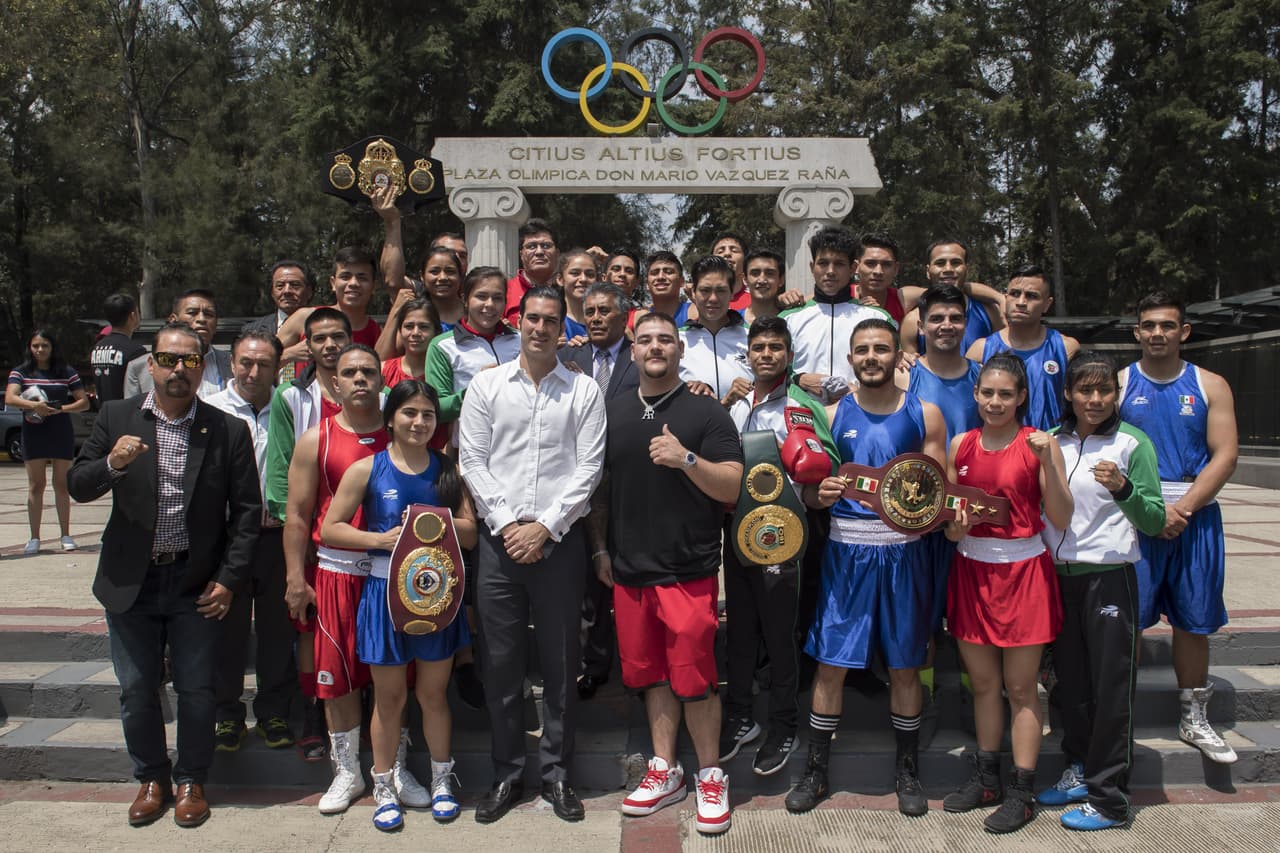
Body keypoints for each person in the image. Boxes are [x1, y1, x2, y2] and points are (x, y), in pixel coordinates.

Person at [67, 322, 260, 828]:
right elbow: (78, 486)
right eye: (169, 360)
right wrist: (111, 462)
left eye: (190, 362)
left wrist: (229, 578)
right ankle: (151, 777)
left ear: (201, 368)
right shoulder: (115, 417)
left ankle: (191, 779)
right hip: (131, 581)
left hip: (195, 583)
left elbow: (245, 515)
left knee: (197, 689)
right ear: (149, 365)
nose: (179, 370)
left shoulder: (226, 430)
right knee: (136, 688)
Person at [786, 318, 946, 818]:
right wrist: (819, 493)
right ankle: (815, 770)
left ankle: (907, 770)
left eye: (881, 348)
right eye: (862, 350)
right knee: (831, 664)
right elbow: (811, 491)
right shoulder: (831, 414)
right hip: (846, 553)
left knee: (904, 666)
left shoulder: (926, 413)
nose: (872, 357)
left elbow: (941, 491)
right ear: (850, 358)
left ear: (895, 353)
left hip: (905, 553)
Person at [459, 285, 606, 824]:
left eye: (550, 321)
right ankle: (506, 772)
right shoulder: (486, 385)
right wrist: (508, 524)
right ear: (518, 323)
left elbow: (589, 469)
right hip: (500, 547)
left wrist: (544, 527)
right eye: (532, 319)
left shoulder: (583, 391)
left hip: (559, 545)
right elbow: (472, 460)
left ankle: (557, 776)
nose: (540, 328)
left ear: (562, 329)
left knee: (562, 664)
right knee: (500, 666)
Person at [600, 311, 743, 835]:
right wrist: (600, 552)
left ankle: (710, 774)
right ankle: (666, 770)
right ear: (632, 350)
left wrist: (685, 458)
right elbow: (600, 490)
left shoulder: (706, 413)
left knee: (696, 680)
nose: (654, 347)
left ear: (681, 350)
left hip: (688, 570)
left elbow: (731, 486)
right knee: (650, 676)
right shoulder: (612, 410)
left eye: (665, 340)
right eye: (645, 340)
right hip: (629, 571)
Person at [285, 344, 434, 816]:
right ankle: (347, 770)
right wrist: (294, 576)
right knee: (341, 679)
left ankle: (396, 766)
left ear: (381, 379)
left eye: (368, 370)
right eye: (349, 372)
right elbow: (297, 514)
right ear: (335, 382)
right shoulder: (317, 438)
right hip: (338, 572)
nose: (359, 379)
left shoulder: (408, 435)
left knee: (398, 679)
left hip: (398, 578)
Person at [322, 380, 478, 831]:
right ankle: (384, 785)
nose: (419, 422)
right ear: (391, 418)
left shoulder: (447, 471)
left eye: (428, 414)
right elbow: (332, 528)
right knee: (389, 699)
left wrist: (437, 525)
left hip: (437, 598)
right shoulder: (366, 469)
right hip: (382, 595)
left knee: (433, 695)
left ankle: (443, 779)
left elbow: (470, 533)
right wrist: (380, 539)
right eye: (410, 413)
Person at [940, 353, 1072, 833]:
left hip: (1023, 574)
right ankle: (987, 778)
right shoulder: (962, 443)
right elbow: (952, 532)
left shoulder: (1038, 444)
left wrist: (1048, 463)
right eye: (987, 393)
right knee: (984, 686)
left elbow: (1060, 517)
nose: (995, 402)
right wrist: (959, 525)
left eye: (1005, 394)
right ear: (975, 395)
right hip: (972, 571)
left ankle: (1022, 791)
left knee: (1021, 688)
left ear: (1021, 398)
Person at [1037, 351, 1165, 831]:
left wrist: (1125, 489)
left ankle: (1110, 799)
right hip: (1058, 579)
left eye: (1105, 389)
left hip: (1110, 579)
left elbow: (1154, 519)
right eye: (1085, 389)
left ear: (1117, 394)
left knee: (1111, 691)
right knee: (1070, 685)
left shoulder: (1133, 443)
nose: (1095, 399)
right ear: (1068, 392)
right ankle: (1079, 768)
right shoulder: (1051, 440)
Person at [1119, 291, 1239, 763]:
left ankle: (1194, 717)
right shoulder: (1121, 382)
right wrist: (1148, 511)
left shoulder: (1211, 384)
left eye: (1167, 325)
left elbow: (1225, 455)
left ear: (1183, 332)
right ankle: (1117, 717)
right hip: (1135, 516)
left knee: (1193, 621)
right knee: (1126, 622)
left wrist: (1182, 509)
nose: (1157, 333)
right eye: (1149, 325)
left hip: (1195, 514)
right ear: (1137, 332)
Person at [721, 316, 838, 775]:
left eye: (775, 347)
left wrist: (814, 489)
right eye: (759, 347)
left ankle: (785, 723)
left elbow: (824, 468)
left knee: (781, 632)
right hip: (736, 530)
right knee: (741, 629)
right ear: (747, 354)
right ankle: (741, 717)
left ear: (789, 355)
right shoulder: (734, 403)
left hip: (784, 533)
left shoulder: (802, 403)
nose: (766, 354)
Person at [264, 308, 353, 759]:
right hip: (311, 535)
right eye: (320, 338)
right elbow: (280, 475)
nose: (330, 345)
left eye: (338, 336)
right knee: (309, 627)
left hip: (359, 536)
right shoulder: (290, 398)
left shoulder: (373, 391)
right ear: (308, 344)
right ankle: (313, 715)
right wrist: (295, 547)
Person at [205, 331, 297, 753]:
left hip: (278, 537)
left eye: (263, 364)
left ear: (278, 366)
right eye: (246, 362)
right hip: (226, 538)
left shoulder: (289, 405)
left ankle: (274, 711)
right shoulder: (211, 409)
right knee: (228, 630)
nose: (254, 371)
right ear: (232, 364)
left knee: (278, 630)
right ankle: (226, 714)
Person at [559, 282, 639, 700]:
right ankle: (593, 665)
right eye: (589, 311)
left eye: (604, 311)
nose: (594, 318)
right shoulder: (567, 357)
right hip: (580, 483)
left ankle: (637, 664)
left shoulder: (641, 356)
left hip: (631, 484)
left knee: (628, 576)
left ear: (624, 315)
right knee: (592, 580)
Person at [901, 285, 984, 646]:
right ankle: (926, 695)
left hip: (974, 513)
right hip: (923, 515)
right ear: (921, 326)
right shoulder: (903, 377)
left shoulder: (986, 379)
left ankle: (977, 694)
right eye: (936, 318)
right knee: (923, 616)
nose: (945, 325)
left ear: (966, 324)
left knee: (975, 617)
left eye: (955, 318)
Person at [782, 226, 893, 404]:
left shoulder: (877, 318)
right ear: (812, 267)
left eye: (839, 264)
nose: (830, 271)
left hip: (861, 414)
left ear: (853, 268)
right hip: (804, 418)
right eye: (823, 263)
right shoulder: (788, 319)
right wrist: (798, 378)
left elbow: (894, 368)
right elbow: (771, 370)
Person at [966, 266, 1080, 431]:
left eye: (1032, 296)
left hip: (1050, 448)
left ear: (1047, 304)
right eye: (1015, 294)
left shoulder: (1065, 348)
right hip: (998, 452)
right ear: (1006, 298)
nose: (1021, 302)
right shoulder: (980, 350)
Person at [7, 330, 90, 554]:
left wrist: (61, 409)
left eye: (45, 345)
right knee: (36, 485)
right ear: (30, 347)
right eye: (36, 346)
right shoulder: (21, 371)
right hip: (34, 432)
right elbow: (10, 397)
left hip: (60, 430)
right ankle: (34, 537)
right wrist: (35, 406)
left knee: (61, 484)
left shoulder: (66, 371)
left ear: (52, 347)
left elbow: (84, 402)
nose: (40, 350)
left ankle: (65, 534)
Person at [424, 266, 521, 441]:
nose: (490, 304)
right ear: (465, 299)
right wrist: (477, 389)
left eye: (498, 298)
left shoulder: (521, 341)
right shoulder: (443, 346)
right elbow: (436, 407)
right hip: (471, 449)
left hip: (519, 445)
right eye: (481, 296)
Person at [900, 239, 1006, 355]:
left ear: (967, 269)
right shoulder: (912, 321)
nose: (948, 269)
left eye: (956, 263)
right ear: (928, 271)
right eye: (940, 263)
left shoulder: (989, 312)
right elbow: (911, 369)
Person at [125, 290, 232, 399]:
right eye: (192, 313)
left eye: (209, 314)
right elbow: (131, 413)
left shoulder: (233, 364)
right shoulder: (139, 368)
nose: (202, 319)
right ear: (173, 320)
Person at [276, 247, 383, 352]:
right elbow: (264, 358)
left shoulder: (378, 333)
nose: (353, 283)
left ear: (374, 286)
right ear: (333, 283)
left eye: (362, 278)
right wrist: (290, 354)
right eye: (345, 277)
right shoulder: (305, 318)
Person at [679, 255, 752, 403]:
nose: (713, 298)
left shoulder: (751, 338)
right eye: (705, 290)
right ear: (693, 292)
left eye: (721, 290)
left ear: (732, 293)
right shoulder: (675, 340)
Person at [91, 293, 146, 404]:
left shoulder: (97, 347)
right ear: (132, 316)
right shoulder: (136, 350)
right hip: (126, 415)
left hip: (104, 414)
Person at [504, 219, 560, 324]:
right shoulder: (505, 291)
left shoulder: (568, 290)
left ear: (557, 254)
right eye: (531, 246)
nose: (539, 252)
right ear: (521, 254)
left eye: (546, 246)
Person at [632, 250, 691, 329]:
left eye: (669, 272)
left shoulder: (694, 313)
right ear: (647, 284)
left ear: (682, 281)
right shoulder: (638, 318)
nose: (660, 277)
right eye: (654, 273)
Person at [558, 248, 599, 341]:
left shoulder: (605, 323)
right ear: (560, 279)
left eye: (590, 274)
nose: (583, 279)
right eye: (575, 273)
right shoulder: (551, 320)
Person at [741, 249, 786, 326]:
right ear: (745, 279)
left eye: (770, 273)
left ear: (781, 280)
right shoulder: (733, 322)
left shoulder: (792, 320)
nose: (762, 280)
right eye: (755, 273)